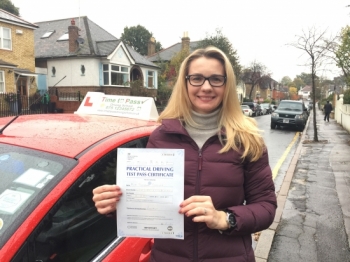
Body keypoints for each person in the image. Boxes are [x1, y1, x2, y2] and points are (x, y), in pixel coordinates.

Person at [92, 46, 277, 261]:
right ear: (185, 83)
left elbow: (266, 207)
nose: (206, 87)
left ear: (227, 85)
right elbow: (148, 203)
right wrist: (116, 205)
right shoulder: (161, 137)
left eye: (216, 79)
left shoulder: (247, 138)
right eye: (197, 78)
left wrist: (225, 218)